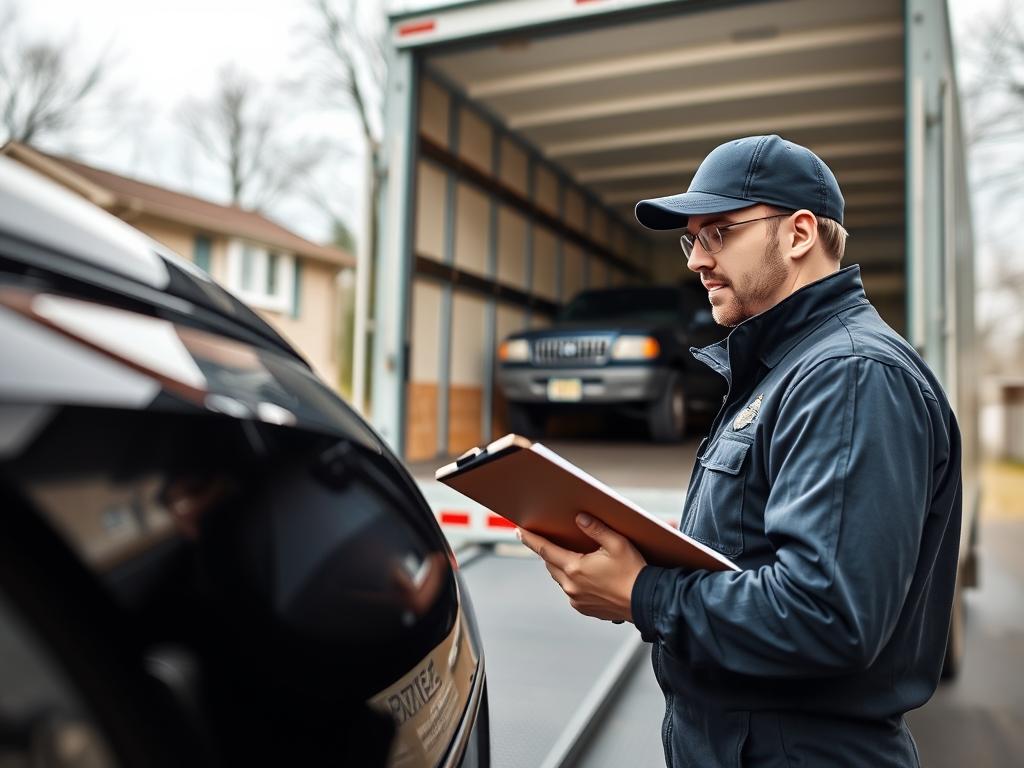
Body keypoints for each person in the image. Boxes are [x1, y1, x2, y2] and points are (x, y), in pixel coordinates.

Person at [516, 134, 961, 767]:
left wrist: (644, 593)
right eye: (691, 238)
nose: (697, 260)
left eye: (719, 232)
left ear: (799, 234)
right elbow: (756, 552)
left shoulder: (851, 374)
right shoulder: (785, 368)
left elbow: (826, 616)